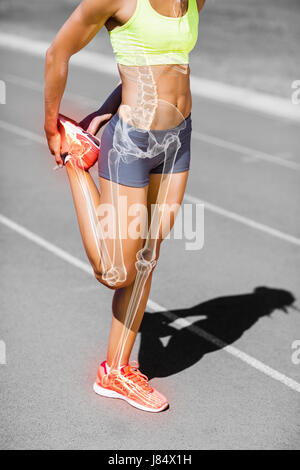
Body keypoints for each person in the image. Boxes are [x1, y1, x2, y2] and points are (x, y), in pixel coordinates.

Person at [44, 0, 206, 413]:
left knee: (149, 256)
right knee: (115, 270)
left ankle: (116, 370)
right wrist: (52, 128)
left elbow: (164, 64)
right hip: (131, 144)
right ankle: (76, 161)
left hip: (177, 140)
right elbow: (57, 53)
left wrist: (102, 109)